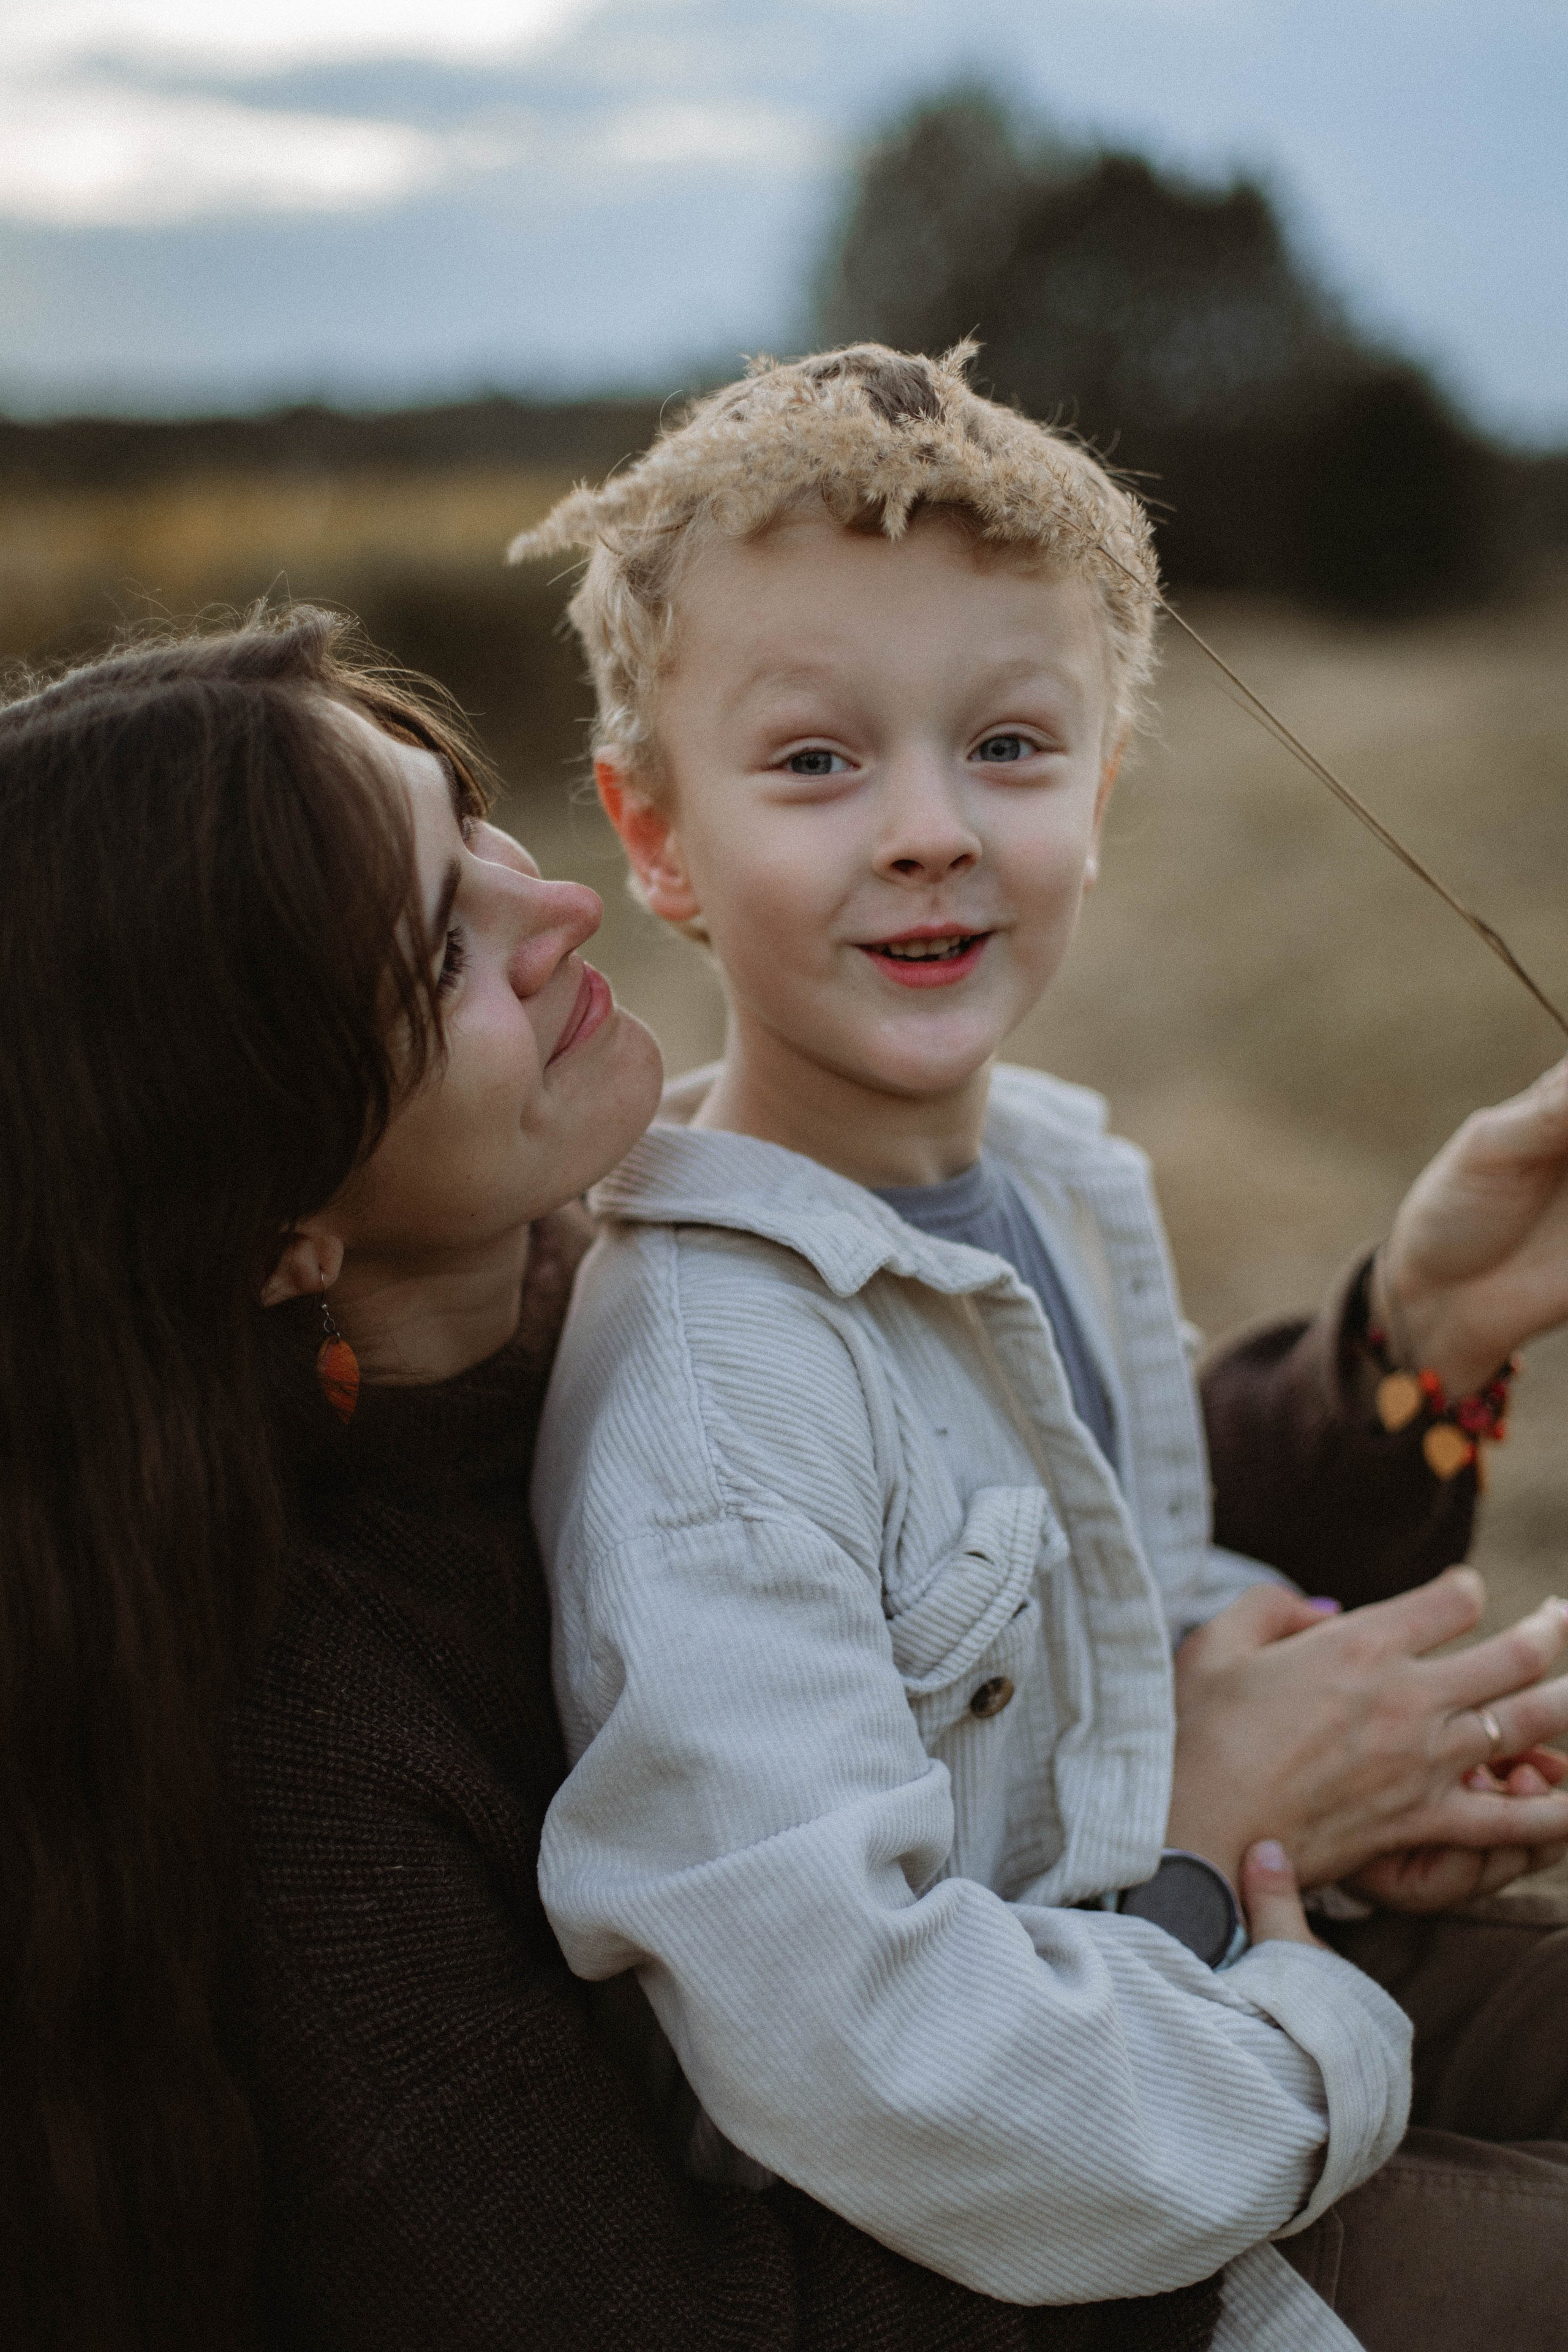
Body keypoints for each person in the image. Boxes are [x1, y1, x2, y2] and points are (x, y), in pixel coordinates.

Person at [0, 608, 1561, 2352]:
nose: (561, 905)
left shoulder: (570, 1290)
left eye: (472, 819)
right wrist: (1194, 1869)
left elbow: (994, 1551)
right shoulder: (296, 1773)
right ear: (274, 1222)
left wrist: (1417, 1340)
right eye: (441, 950)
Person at [516, 343, 1568, 2351]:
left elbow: (1110, 1603)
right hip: (1087, 2196)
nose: (927, 829)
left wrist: (1347, 1730)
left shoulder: (1063, 1188)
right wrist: (1291, 1987)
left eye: (1008, 746)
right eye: (817, 763)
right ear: (654, 840)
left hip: (1234, 1960)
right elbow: (853, 2042)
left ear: (1100, 784)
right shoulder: (715, 1389)